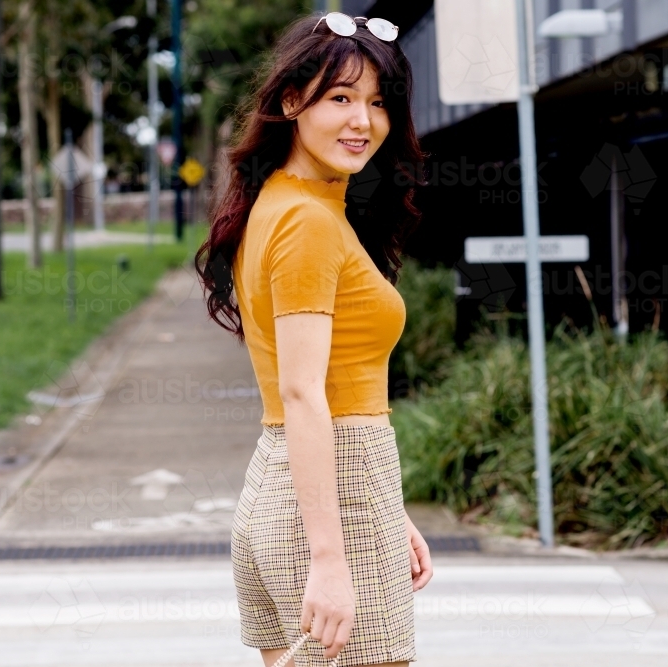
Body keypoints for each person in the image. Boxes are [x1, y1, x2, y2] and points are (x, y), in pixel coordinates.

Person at [194, 12, 433, 667]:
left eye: (379, 102)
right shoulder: (307, 222)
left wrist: (388, 509)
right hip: (325, 518)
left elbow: (318, 385)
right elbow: (303, 393)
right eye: (341, 98)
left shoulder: (280, 200)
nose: (364, 120)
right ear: (292, 100)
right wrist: (331, 556)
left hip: (294, 495)